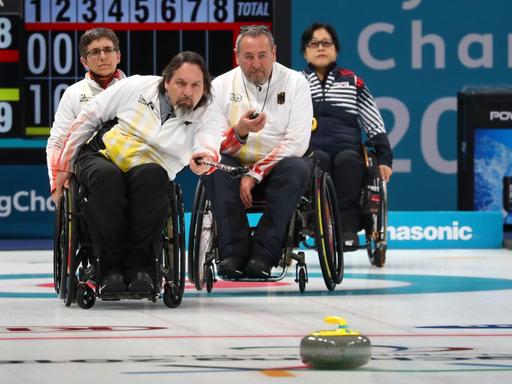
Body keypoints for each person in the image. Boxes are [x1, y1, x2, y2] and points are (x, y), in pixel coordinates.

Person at [52, 51, 218, 293]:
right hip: (104, 153)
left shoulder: (208, 112)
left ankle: (142, 268)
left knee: (153, 177)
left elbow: (209, 140)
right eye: (181, 83)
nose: (188, 92)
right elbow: (88, 117)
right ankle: (108, 269)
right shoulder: (136, 86)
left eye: (196, 85)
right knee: (108, 179)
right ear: (166, 81)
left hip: (151, 166)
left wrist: (204, 156)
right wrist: (64, 165)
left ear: (204, 89)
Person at [201, 25, 313, 278]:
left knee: (298, 167)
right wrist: (239, 132)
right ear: (236, 56)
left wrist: (255, 174)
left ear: (274, 53)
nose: (256, 63)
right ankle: (233, 254)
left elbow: (297, 142)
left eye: (262, 55)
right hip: (234, 167)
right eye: (248, 57)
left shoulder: (296, 83)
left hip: (279, 166)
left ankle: (263, 256)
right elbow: (213, 141)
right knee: (213, 166)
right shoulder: (219, 87)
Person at [301, 22, 393, 248]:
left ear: (336, 49)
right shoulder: (295, 83)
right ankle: (316, 223)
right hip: (310, 149)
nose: (320, 48)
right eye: (314, 44)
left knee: (349, 161)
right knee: (317, 160)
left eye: (326, 43)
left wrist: (384, 158)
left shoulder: (353, 82)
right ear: (305, 51)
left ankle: (347, 228)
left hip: (347, 148)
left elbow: (373, 121)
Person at [47, 27, 126, 200]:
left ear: (118, 56)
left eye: (108, 50)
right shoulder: (73, 94)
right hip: (91, 167)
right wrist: (55, 185)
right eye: (95, 52)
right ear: (84, 61)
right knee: (105, 175)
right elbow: (58, 141)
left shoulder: (136, 89)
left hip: (132, 159)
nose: (103, 57)